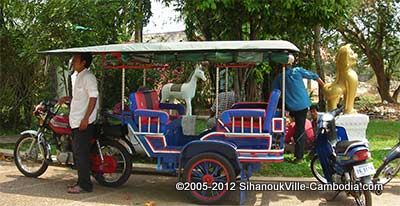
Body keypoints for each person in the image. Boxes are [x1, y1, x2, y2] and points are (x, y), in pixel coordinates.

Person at [272, 55, 324, 163]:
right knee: (299, 130)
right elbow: (314, 76)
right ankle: (299, 157)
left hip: (291, 106)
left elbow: (274, 93)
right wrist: (324, 86)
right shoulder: (298, 71)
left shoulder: (279, 77)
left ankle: (294, 154)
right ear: (291, 64)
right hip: (302, 106)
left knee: (297, 130)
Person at [60, 53, 98, 193]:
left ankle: (84, 185)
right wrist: (68, 98)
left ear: (83, 62)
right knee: (78, 153)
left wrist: (85, 119)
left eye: (75, 60)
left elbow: (93, 98)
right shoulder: (77, 76)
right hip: (76, 120)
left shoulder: (88, 77)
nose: (73, 62)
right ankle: (81, 182)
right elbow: (81, 98)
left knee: (81, 154)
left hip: (83, 122)